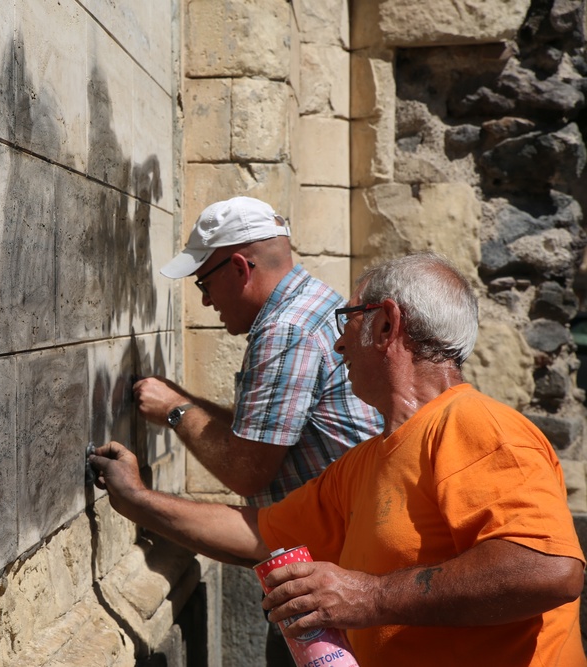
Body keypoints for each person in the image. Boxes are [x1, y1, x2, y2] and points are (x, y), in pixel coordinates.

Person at [91, 252, 587, 665]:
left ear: (388, 324)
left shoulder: (477, 425)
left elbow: (547, 570)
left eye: (348, 319)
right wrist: (136, 500)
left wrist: (369, 597)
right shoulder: (366, 462)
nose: (339, 340)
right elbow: (259, 534)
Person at [133, 195, 382, 664]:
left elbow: (247, 468)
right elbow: (260, 432)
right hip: (336, 566)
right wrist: (183, 401)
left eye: (204, 281)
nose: (205, 300)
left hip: (330, 579)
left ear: (240, 269)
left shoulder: (285, 329)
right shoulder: (314, 303)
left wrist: (174, 411)